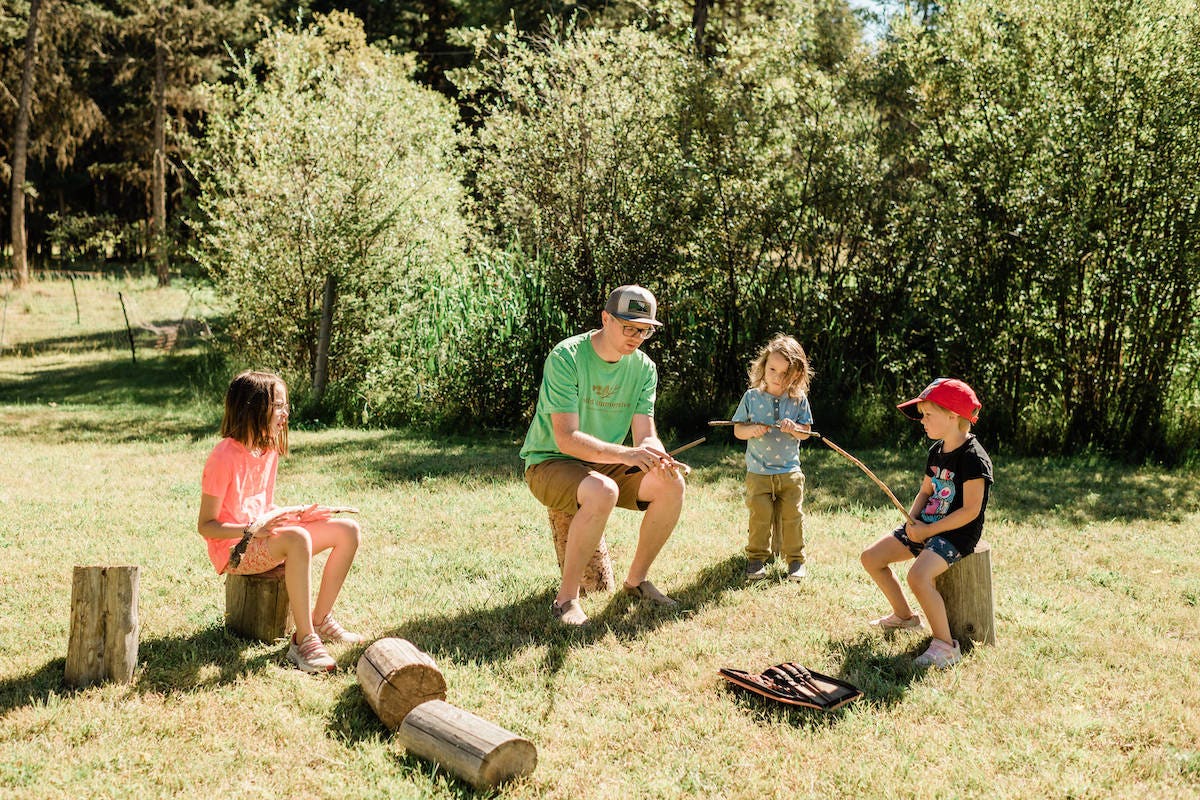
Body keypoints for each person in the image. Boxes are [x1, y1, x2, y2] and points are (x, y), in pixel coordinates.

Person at [520, 285, 688, 626]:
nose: (637, 336)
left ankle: (636, 582)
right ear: (605, 318)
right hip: (550, 461)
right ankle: (565, 600)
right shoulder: (567, 356)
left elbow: (645, 434)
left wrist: (657, 454)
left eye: (645, 330)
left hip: (605, 462)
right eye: (629, 327)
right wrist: (628, 454)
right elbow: (566, 439)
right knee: (603, 490)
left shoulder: (643, 368)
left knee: (672, 484)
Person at [197, 370, 363, 673]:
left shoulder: (267, 450)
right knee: (298, 538)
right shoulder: (223, 456)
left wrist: (298, 514)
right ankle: (303, 642)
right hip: (234, 549)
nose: (285, 414)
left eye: (286, 406)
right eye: (279, 406)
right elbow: (206, 525)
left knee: (347, 531)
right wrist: (250, 530)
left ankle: (320, 619)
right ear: (253, 407)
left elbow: (263, 507)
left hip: (263, 536)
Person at [859, 378, 993, 668]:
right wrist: (912, 520)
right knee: (871, 558)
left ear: (953, 415)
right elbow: (926, 490)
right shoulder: (936, 451)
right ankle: (905, 618)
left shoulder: (974, 459)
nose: (922, 421)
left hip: (957, 533)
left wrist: (929, 531)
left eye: (928, 414)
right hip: (925, 525)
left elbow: (971, 511)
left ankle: (945, 645)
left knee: (918, 577)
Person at [732, 334, 815, 583]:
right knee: (760, 517)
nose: (777, 378)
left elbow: (807, 432)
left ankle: (795, 561)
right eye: (772, 370)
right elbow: (738, 430)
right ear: (763, 366)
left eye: (785, 373)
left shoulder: (798, 400)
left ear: (797, 375)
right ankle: (756, 560)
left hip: (789, 471)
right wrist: (752, 430)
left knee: (793, 517)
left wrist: (794, 429)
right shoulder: (752, 397)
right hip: (758, 472)